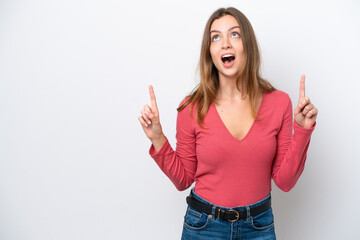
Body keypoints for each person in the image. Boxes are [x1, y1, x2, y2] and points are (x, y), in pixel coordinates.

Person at [138, 7, 318, 240]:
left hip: (259, 227)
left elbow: (285, 182)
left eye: (234, 34)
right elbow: (183, 179)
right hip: (204, 227)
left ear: (248, 46)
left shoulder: (279, 102)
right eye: (215, 37)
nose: (225, 43)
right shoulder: (192, 107)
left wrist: (303, 130)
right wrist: (157, 137)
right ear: (210, 52)